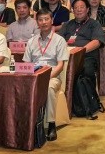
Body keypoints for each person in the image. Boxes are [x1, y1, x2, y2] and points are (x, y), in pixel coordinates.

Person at [24, 8, 70, 141]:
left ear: (52, 20)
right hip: (34, 75)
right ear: (37, 22)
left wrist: (45, 78)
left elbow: (60, 65)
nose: (43, 22)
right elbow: (27, 63)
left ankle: (51, 124)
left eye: (46, 19)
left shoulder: (59, 40)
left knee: (48, 87)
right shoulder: (32, 41)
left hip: (52, 76)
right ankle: (26, 123)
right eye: (40, 20)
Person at [57, 0, 105, 119]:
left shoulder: (94, 24)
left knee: (86, 71)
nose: (78, 10)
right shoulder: (67, 24)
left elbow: (97, 41)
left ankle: (85, 102)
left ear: (88, 9)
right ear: (72, 10)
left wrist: (81, 51)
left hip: (86, 56)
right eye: (76, 8)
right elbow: (58, 41)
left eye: (82, 7)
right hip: (66, 56)